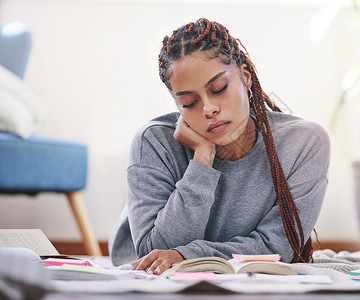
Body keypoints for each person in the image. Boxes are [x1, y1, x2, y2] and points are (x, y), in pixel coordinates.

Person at [108, 18, 330, 275]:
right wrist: (202, 159)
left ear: (245, 78)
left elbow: (278, 247)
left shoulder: (303, 143)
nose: (208, 109)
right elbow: (156, 254)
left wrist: (189, 255)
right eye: (189, 103)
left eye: (219, 88)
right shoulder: (154, 141)